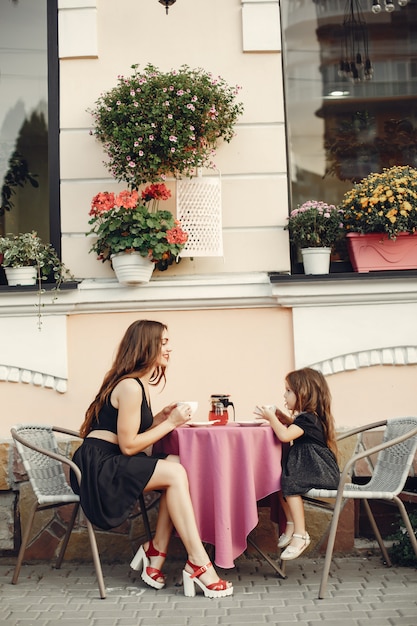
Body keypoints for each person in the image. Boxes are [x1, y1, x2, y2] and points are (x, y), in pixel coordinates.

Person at [70, 319, 233, 598]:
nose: (169, 349)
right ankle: (199, 563)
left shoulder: (138, 385)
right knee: (175, 472)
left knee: (177, 465)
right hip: (98, 469)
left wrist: (160, 418)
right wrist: (171, 424)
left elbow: (130, 433)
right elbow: (130, 446)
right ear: (146, 346)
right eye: (164, 342)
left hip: (107, 460)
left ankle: (156, 550)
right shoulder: (131, 387)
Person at [256, 367, 340, 561]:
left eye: (288, 390)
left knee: (292, 484)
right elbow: (295, 425)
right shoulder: (307, 418)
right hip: (313, 468)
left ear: (303, 393)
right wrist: (284, 418)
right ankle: (292, 523)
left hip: (320, 471)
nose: (284, 395)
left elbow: (285, 435)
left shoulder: (308, 419)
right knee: (280, 480)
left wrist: (271, 419)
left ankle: (301, 535)